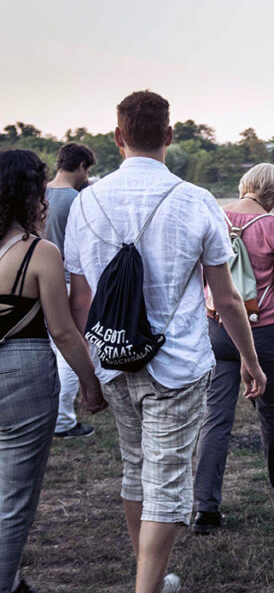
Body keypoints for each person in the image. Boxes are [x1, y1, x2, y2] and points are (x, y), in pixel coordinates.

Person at [65, 91, 266, 593]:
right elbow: (226, 296)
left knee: (136, 471)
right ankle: (148, 586)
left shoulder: (87, 201)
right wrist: (249, 359)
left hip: (113, 360)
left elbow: (81, 300)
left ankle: (147, 570)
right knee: (169, 480)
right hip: (176, 362)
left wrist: (91, 374)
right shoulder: (196, 200)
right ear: (170, 137)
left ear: (117, 137)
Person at [0, 149, 106, 593]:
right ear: (30, 196)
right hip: (22, 367)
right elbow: (63, 333)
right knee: (15, 497)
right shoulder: (38, 253)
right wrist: (90, 383)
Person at [193, 164, 274, 535]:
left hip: (219, 328)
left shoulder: (215, 216)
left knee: (216, 417)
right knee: (273, 411)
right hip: (266, 330)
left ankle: (205, 507)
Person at [45, 141, 99, 439]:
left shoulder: (37, 195)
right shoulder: (77, 201)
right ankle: (63, 421)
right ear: (81, 166)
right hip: (67, 281)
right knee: (70, 350)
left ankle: (50, 416)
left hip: (34, 283)